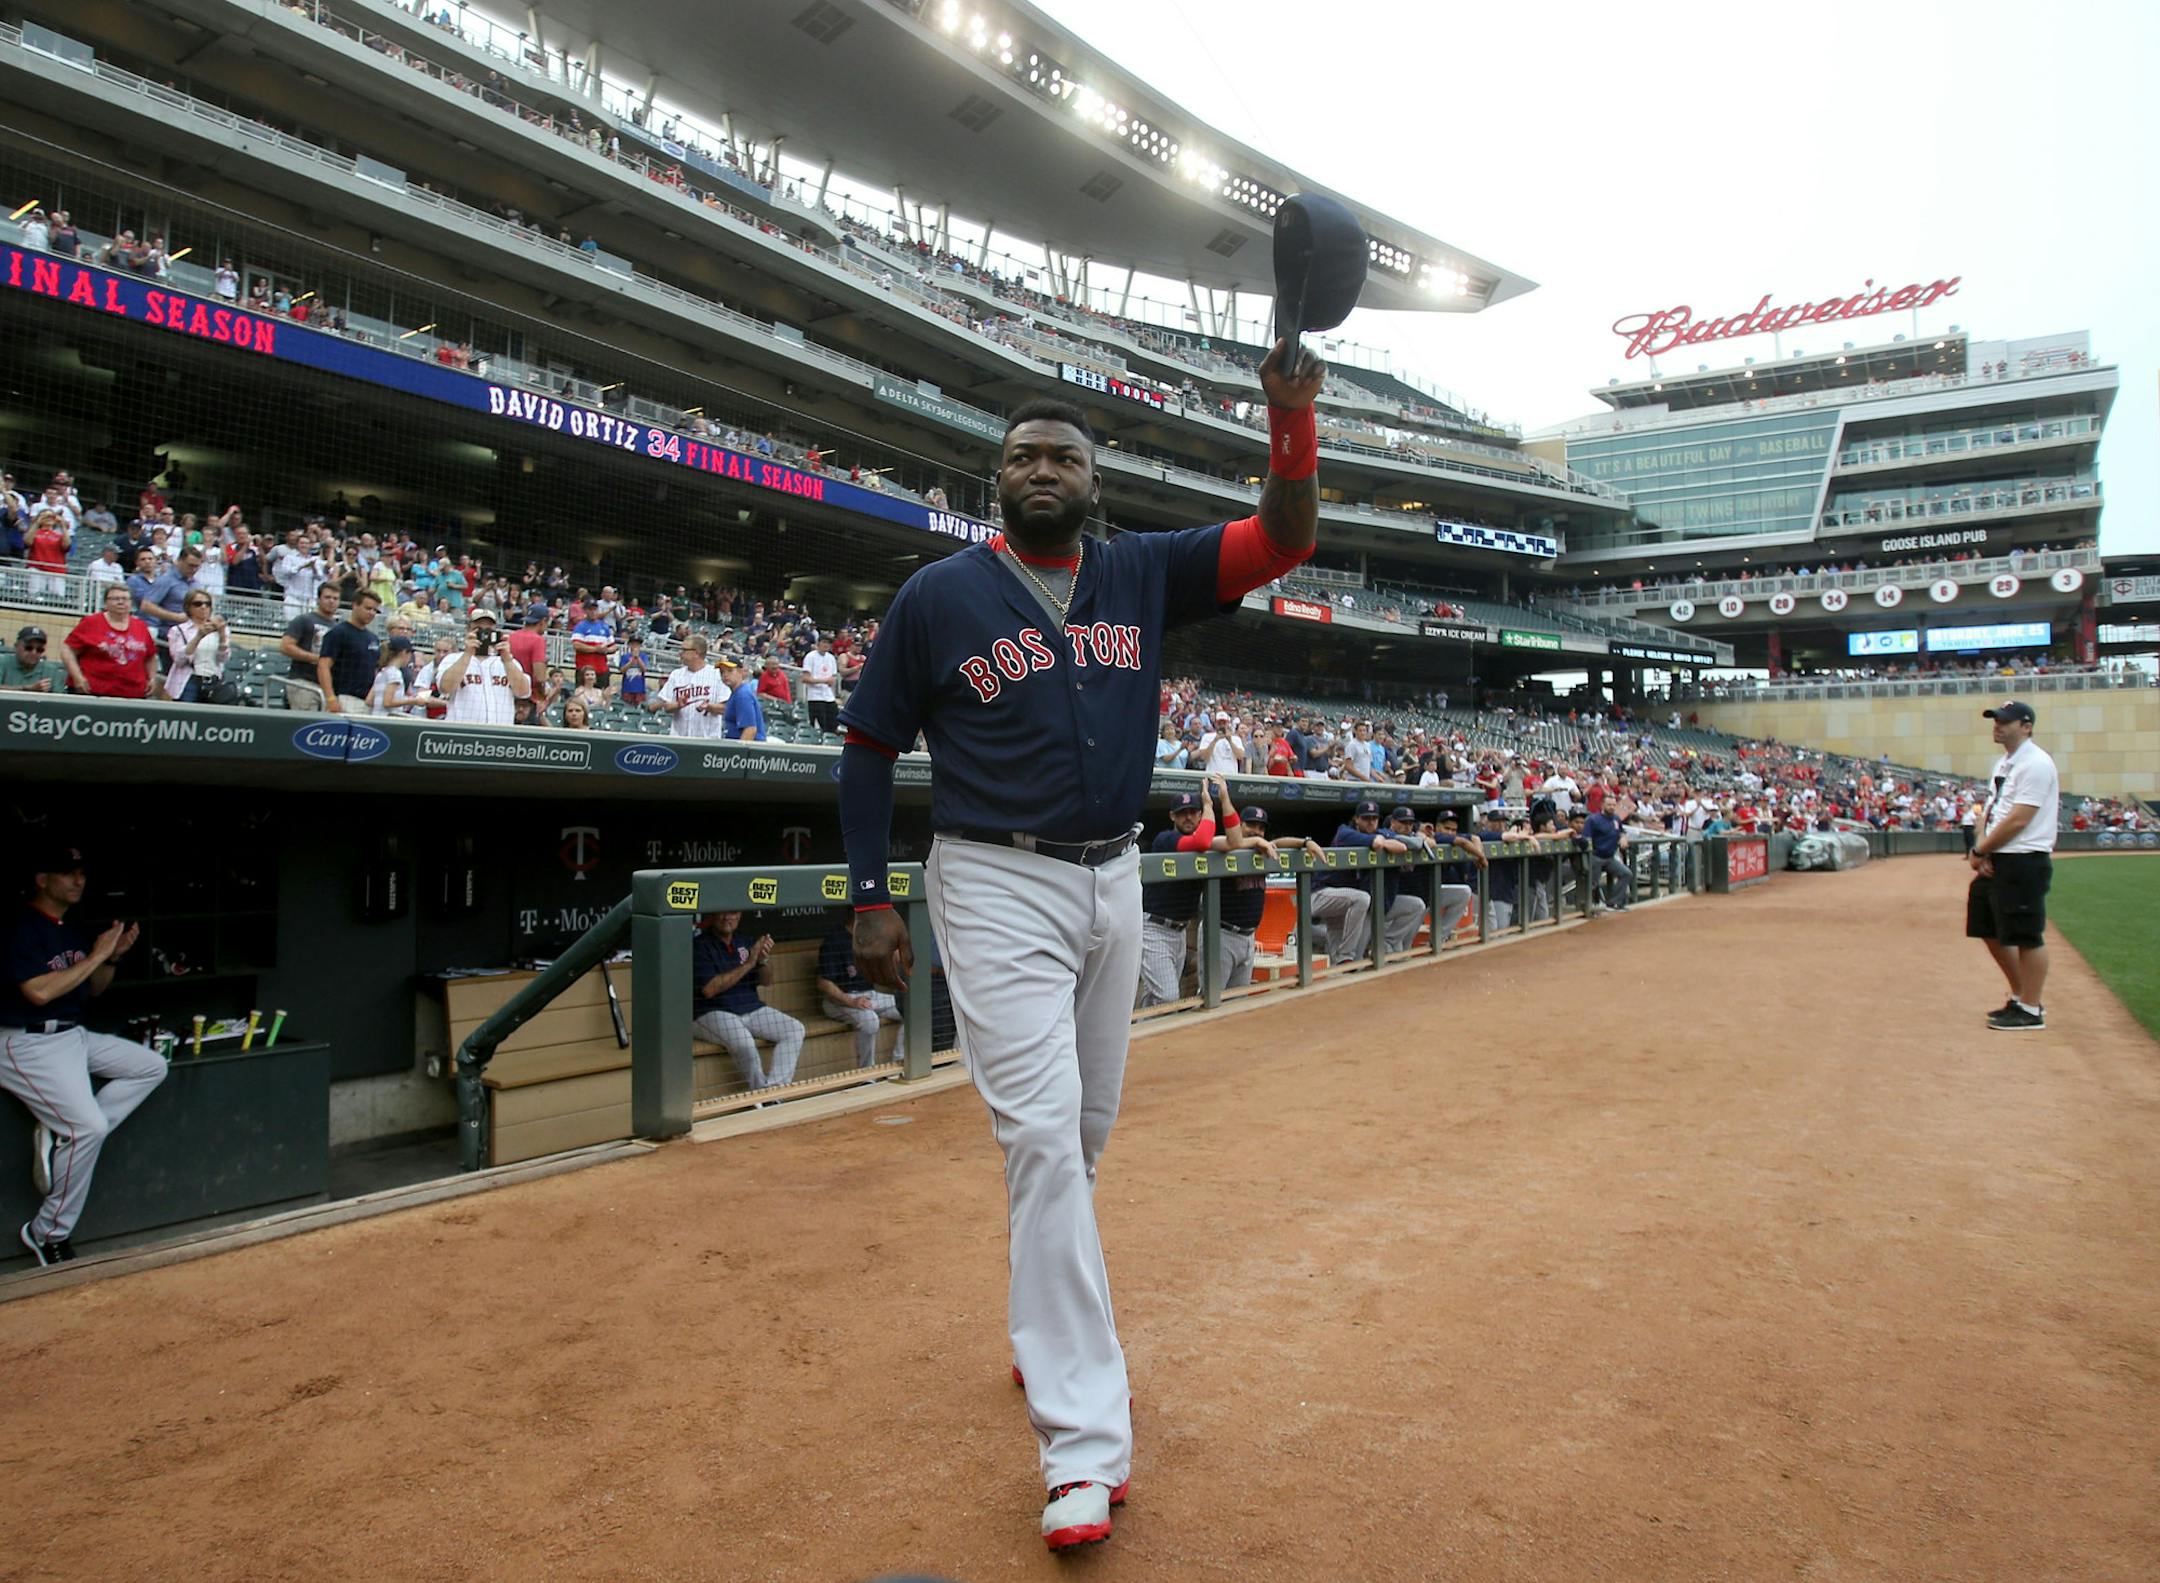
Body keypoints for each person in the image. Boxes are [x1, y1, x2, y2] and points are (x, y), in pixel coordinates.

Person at [837, 338, 1327, 1549]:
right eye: (1021, 455)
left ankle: (1037, 1311)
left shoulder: (1143, 570)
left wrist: (1292, 420)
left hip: (1116, 874)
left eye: (1062, 454)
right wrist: (868, 893)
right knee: (1045, 1138)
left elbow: (1282, 541)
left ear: (1092, 481)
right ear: (995, 479)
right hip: (994, 877)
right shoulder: (938, 594)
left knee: (1083, 1134)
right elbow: (865, 744)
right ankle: (1083, 1445)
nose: (1041, 467)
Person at [4, 843, 166, 1266]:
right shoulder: (20, 927)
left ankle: (66, 1132)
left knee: (150, 1066)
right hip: (24, 1040)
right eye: (67, 873)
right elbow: (37, 993)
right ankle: (46, 1231)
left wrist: (110, 959)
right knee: (89, 1127)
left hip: (71, 1035)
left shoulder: (68, 928)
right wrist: (96, 955)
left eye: (81, 873)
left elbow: (92, 988)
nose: (79, 880)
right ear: (42, 879)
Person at [1968, 701, 2059, 1032]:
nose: (1998, 725)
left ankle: (2031, 1008)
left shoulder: (2036, 763)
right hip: (1999, 856)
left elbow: (2020, 819)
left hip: (2023, 857)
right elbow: (1990, 811)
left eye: (2006, 721)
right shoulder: (2005, 763)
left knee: (2026, 934)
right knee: (1987, 927)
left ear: (2026, 726)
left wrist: (1981, 848)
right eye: (1996, 720)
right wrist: (1983, 848)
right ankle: (2022, 997)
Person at [1137, 777, 1240, 1007]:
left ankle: (1144, 1036)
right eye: (1182, 813)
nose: (1189, 817)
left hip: (1180, 930)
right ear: (1172, 816)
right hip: (1154, 927)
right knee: (1167, 997)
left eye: (1193, 812)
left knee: (1158, 998)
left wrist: (1224, 799)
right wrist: (1208, 805)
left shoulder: (1197, 842)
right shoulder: (1167, 839)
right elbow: (1202, 841)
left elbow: (1234, 841)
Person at [691, 911, 804, 1090]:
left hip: (751, 1009)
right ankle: (761, 1095)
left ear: (740, 916)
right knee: (745, 1043)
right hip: (711, 1012)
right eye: (722, 913)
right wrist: (749, 963)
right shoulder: (699, 945)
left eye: (733, 912)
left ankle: (775, 1092)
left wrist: (763, 959)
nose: (727, 917)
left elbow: (767, 981)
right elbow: (709, 989)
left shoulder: (745, 941)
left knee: (794, 1029)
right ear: (713, 916)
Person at [1217, 806, 1322, 989]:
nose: (1256, 831)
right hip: (1222, 934)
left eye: (1261, 828)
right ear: (1239, 825)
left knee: (1239, 999)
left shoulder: (1262, 851)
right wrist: (1257, 840)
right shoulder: (1225, 848)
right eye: (1251, 825)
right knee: (1213, 997)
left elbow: (1278, 843)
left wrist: (1306, 843)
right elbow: (1226, 843)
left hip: (1248, 936)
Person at [1309, 798, 1410, 965]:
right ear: (1356, 819)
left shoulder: (1379, 833)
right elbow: (1378, 843)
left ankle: (1340, 965)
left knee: (1337, 960)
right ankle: (1346, 955)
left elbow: (1402, 846)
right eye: (1366, 818)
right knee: (1362, 899)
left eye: (1374, 818)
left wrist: (1385, 838)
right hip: (1320, 895)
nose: (1371, 822)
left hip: (1342, 901)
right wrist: (1383, 839)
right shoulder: (1345, 832)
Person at [1386, 805, 1480, 951]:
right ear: (1393, 823)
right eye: (1403, 822)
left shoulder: (1429, 836)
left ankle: (1438, 938)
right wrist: (1419, 835)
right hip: (1396, 900)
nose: (1407, 826)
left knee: (1463, 892)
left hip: (1422, 898)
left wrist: (1421, 835)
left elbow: (1470, 839)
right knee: (1398, 947)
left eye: (1410, 823)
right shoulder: (1387, 834)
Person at [816, 912, 903, 1068]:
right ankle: (866, 1073)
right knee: (870, 1021)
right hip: (839, 1000)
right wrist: (852, 1001)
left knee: (913, 1009)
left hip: (869, 997)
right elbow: (823, 983)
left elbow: (892, 963)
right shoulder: (835, 940)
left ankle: (899, 1061)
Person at [437, 607, 531, 724]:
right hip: (463, 735)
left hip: (498, 734)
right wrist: (467, 654)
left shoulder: (508, 662)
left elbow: (523, 692)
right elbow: (445, 688)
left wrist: (507, 659)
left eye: (488, 630)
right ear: (468, 630)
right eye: (478, 629)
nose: (484, 635)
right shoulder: (453, 659)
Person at [62, 584, 157, 699]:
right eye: (115, 599)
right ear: (105, 603)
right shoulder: (91, 622)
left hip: (132, 694)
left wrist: (152, 678)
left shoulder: (141, 626)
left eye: (125, 599)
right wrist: (77, 677)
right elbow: (67, 650)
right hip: (94, 693)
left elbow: (150, 656)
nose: (121, 602)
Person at [315, 589, 383, 715]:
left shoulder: (373, 638)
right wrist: (330, 698)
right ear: (355, 605)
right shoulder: (338, 633)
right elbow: (323, 666)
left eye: (375, 610)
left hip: (366, 701)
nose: (372, 613)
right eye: (368, 608)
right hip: (344, 698)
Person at [279, 583, 342, 711]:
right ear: (319, 599)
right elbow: (285, 646)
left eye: (335, 598)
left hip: (327, 686)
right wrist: (316, 658)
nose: (331, 601)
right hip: (303, 682)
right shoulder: (304, 619)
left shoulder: (338, 628)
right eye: (327, 597)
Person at [654, 634, 729, 737]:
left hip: (708, 740)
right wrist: (678, 705)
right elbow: (666, 707)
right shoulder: (676, 674)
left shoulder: (717, 675)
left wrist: (709, 706)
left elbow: (725, 708)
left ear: (696, 653)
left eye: (684, 650)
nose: (680, 653)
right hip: (679, 739)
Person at [163, 592, 229, 704]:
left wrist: (222, 636)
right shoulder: (178, 630)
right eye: (198, 604)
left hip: (212, 679)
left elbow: (223, 659)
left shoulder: (220, 630)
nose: (203, 607)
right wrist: (198, 637)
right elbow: (179, 660)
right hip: (188, 680)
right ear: (189, 607)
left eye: (207, 604)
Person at [1582, 793, 1633, 911]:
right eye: (1609, 804)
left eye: (1614, 805)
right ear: (1602, 805)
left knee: (1626, 874)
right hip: (1595, 856)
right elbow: (1586, 838)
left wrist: (1623, 837)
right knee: (1592, 883)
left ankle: (1614, 902)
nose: (1611, 807)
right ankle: (1588, 908)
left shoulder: (1616, 819)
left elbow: (1621, 831)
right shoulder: (1593, 819)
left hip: (1610, 857)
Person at [0, 626, 65, 693]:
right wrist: (27, 688)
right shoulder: (3, 662)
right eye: (28, 648)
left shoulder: (51, 671)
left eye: (39, 649)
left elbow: (60, 699)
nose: (34, 653)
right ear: (16, 646)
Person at [719, 651, 767, 742]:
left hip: (750, 752)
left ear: (740, 672)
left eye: (730, 670)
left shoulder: (742, 694)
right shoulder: (737, 692)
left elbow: (750, 730)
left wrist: (739, 754)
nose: (725, 675)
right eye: (722, 672)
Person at [366, 636, 419, 715]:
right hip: (388, 720)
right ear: (404, 652)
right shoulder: (395, 674)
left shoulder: (382, 673)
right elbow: (387, 702)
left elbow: (369, 701)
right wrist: (414, 700)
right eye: (410, 653)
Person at [802, 635, 841, 735]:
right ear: (818, 643)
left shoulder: (831, 658)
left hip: (828, 696)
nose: (826, 645)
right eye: (824, 642)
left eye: (828, 643)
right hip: (815, 696)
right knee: (820, 725)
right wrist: (823, 681)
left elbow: (833, 677)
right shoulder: (810, 656)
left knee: (834, 724)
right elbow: (805, 678)